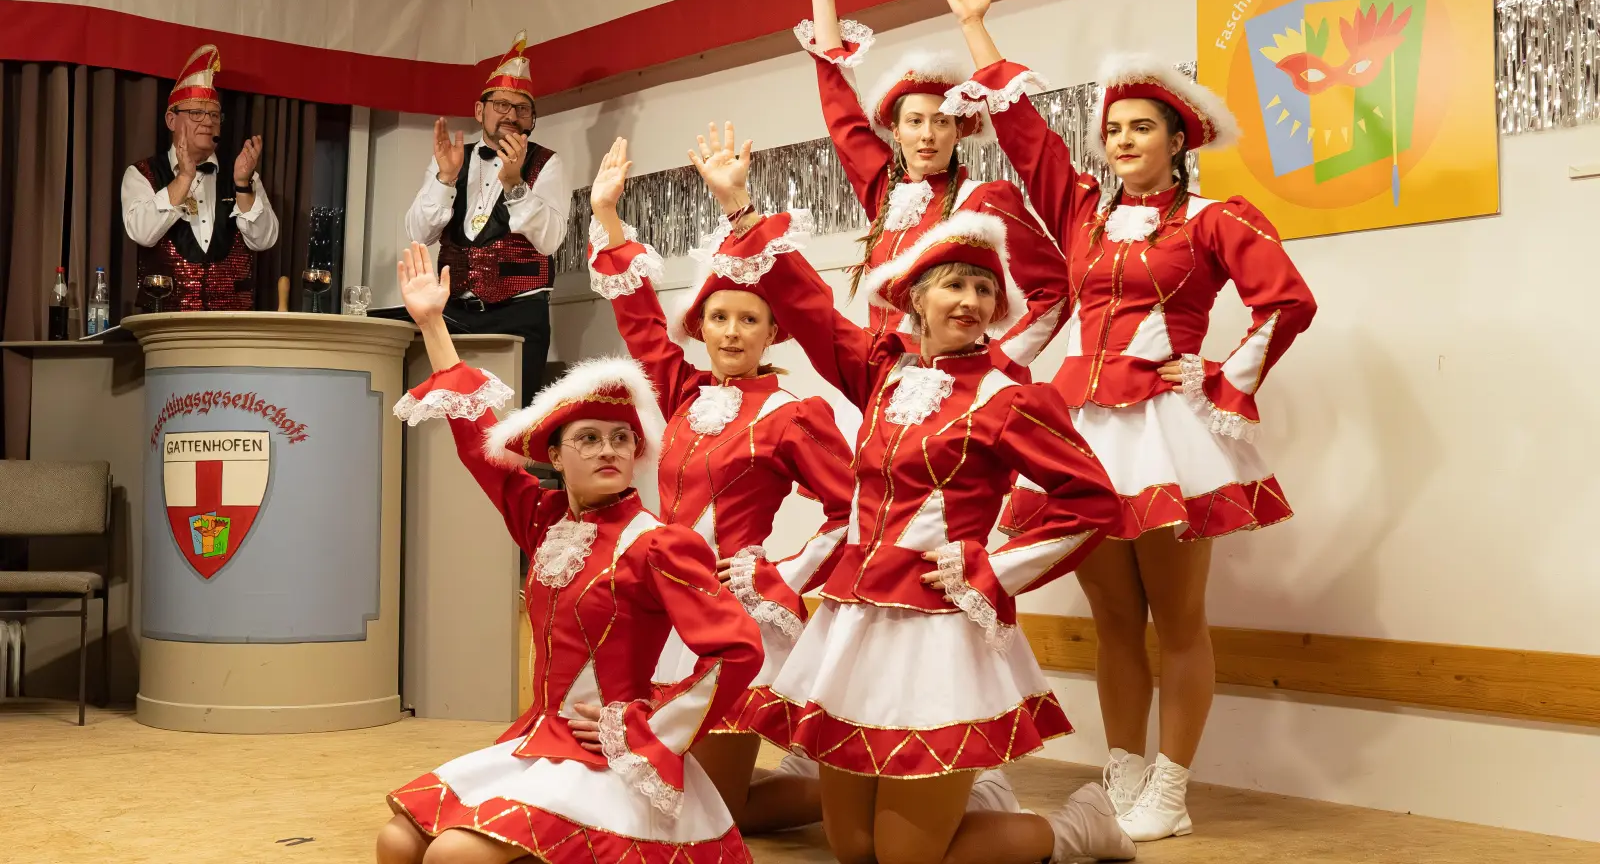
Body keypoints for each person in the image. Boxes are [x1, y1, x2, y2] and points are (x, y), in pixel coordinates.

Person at [687, 122, 1135, 864]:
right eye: (954, 285)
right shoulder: (883, 373)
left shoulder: (1006, 398)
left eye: (985, 289)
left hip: (935, 632)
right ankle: (975, 798)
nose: (970, 301)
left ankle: (1075, 831)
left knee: (902, 858)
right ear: (918, 300)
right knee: (852, 848)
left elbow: (1094, 502)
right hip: (851, 624)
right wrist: (739, 207)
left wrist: (992, 572)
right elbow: (807, 305)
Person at [940, 0, 1318, 843]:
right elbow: (1030, 142)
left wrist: (1223, 382)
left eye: (1140, 127)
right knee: (1115, 619)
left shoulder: (1217, 217)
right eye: (1111, 128)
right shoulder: (1082, 214)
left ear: (1177, 138)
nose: (1121, 140)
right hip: (1082, 428)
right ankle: (1123, 772)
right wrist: (976, 36)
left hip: (1165, 433)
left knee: (1177, 620)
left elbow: (1286, 301)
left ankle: (1173, 789)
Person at [377, 242, 763, 864]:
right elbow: (479, 445)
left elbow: (739, 649)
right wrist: (432, 325)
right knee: (397, 838)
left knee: (457, 855)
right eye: (588, 438)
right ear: (554, 457)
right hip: (538, 737)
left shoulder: (659, 543)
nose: (609, 449)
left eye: (620, 438)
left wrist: (641, 724)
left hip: (610, 757)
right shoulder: (545, 519)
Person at [585, 137, 855, 835]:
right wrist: (608, 219)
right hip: (661, 608)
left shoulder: (795, 414)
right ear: (700, 328)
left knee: (712, 813)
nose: (733, 332)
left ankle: (870, 802)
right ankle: (837, 787)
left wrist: (780, 571)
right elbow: (641, 323)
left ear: (773, 332)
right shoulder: (681, 392)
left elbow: (851, 512)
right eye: (719, 318)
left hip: (734, 622)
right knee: (661, 792)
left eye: (750, 319)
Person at [797, 0, 1069, 364]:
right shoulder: (884, 192)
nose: (928, 134)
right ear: (896, 131)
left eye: (941, 121)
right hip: (882, 380)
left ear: (958, 130)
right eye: (915, 122)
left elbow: (1055, 289)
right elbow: (842, 115)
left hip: (954, 382)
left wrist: (1000, 360)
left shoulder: (988, 199)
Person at [404, 30, 570, 404]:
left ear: (532, 119)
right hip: (454, 313)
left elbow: (551, 239)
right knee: (444, 416)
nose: (511, 115)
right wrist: (445, 178)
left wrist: (515, 186)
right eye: (501, 105)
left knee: (510, 425)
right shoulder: (450, 158)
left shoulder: (547, 163)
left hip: (519, 316)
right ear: (480, 111)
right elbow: (418, 232)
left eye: (522, 109)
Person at [120, 44, 277, 312]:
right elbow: (142, 233)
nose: (208, 122)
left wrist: (242, 185)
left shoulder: (243, 174)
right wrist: (183, 178)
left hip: (231, 328)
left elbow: (264, 240)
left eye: (214, 115)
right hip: (165, 327)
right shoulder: (141, 174)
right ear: (171, 120)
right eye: (196, 113)